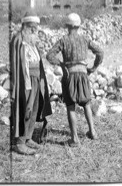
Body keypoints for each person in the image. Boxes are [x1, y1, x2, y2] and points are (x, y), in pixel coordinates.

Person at [46, 13, 104, 147]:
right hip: (83, 75)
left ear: (67, 26)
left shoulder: (64, 40)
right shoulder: (85, 39)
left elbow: (49, 55)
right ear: (78, 26)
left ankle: (74, 139)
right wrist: (93, 67)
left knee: (71, 107)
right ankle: (93, 132)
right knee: (86, 104)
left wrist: (61, 64)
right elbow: (100, 52)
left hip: (69, 75)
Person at [10, 11, 52, 155]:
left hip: (36, 80)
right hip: (25, 81)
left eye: (36, 28)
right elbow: (18, 65)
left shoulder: (32, 42)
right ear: (26, 26)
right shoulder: (18, 40)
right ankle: (19, 143)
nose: (35, 30)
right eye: (32, 28)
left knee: (34, 109)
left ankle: (28, 137)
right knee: (24, 110)